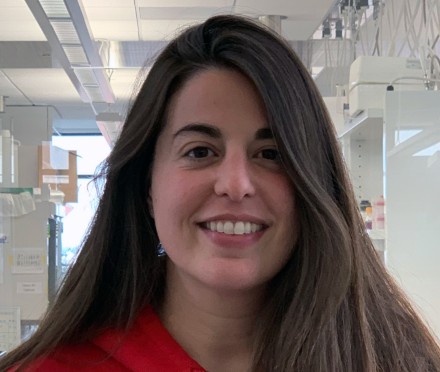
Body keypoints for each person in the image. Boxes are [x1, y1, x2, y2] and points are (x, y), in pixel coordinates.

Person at [1, 14, 440, 372]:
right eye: (199, 151)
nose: (235, 184)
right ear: (146, 186)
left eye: (271, 153)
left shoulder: (394, 360)